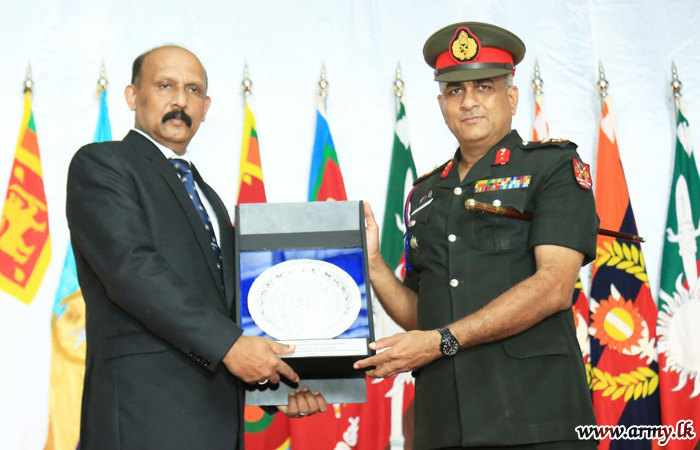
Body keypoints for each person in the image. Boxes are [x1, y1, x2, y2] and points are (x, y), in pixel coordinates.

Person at [66, 45, 326, 450]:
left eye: (193, 90)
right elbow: (132, 270)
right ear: (132, 96)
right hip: (142, 417)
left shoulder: (208, 197)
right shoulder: (102, 164)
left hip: (217, 422)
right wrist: (231, 346)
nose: (180, 101)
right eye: (165, 86)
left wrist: (276, 382)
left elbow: (232, 306)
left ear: (206, 107)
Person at [355, 22, 599, 449]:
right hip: (443, 424)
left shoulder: (553, 167)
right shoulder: (425, 193)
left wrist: (443, 341)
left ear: (512, 96)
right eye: (455, 91)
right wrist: (374, 265)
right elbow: (424, 317)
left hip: (536, 418)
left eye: (484, 87)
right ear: (441, 104)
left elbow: (554, 287)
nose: (468, 101)